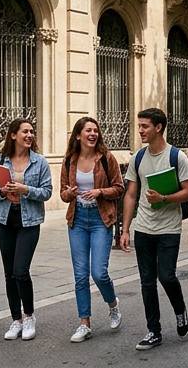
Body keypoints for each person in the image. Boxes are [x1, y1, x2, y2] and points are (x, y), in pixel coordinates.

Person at [120, 108, 188, 351]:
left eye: (145, 126)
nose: (140, 130)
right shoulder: (138, 158)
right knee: (146, 281)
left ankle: (180, 310)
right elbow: (131, 194)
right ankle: (154, 331)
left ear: (158, 127)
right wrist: (125, 229)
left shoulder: (177, 156)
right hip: (143, 228)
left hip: (169, 228)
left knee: (167, 276)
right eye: (139, 126)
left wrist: (163, 198)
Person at [0, 118, 53, 341]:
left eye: (32, 131)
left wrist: (25, 189)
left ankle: (29, 316)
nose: (30, 135)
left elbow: (47, 192)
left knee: (21, 270)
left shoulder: (39, 162)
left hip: (29, 222)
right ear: (13, 135)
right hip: (5, 220)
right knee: (9, 273)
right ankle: (16, 320)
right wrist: (2, 192)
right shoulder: (0, 160)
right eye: (25, 131)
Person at [59, 116, 123, 343]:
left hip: (100, 219)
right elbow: (63, 194)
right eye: (88, 130)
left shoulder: (106, 158)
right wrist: (71, 192)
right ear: (78, 135)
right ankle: (84, 323)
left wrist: (99, 192)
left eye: (95, 130)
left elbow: (119, 187)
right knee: (80, 275)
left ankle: (113, 304)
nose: (93, 134)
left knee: (99, 272)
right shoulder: (69, 161)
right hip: (77, 220)